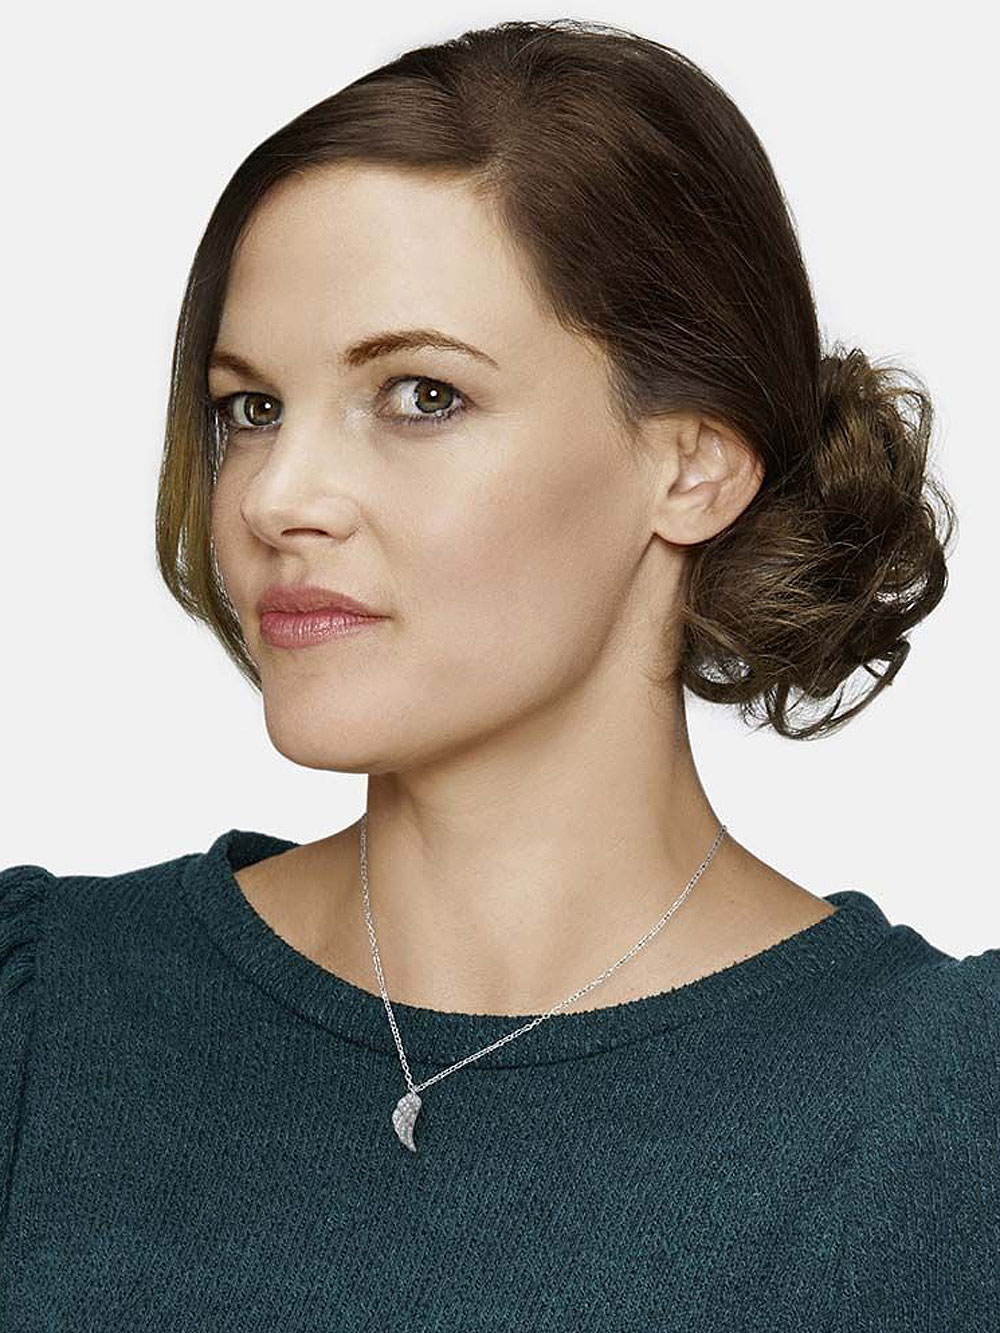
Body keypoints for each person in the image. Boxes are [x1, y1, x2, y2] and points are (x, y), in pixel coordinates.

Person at [2, 17, 996, 1330]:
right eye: (252, 407)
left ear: (693, 464)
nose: (277, 497)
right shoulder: (42, 1013)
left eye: (422, 396)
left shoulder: (943, 1120)